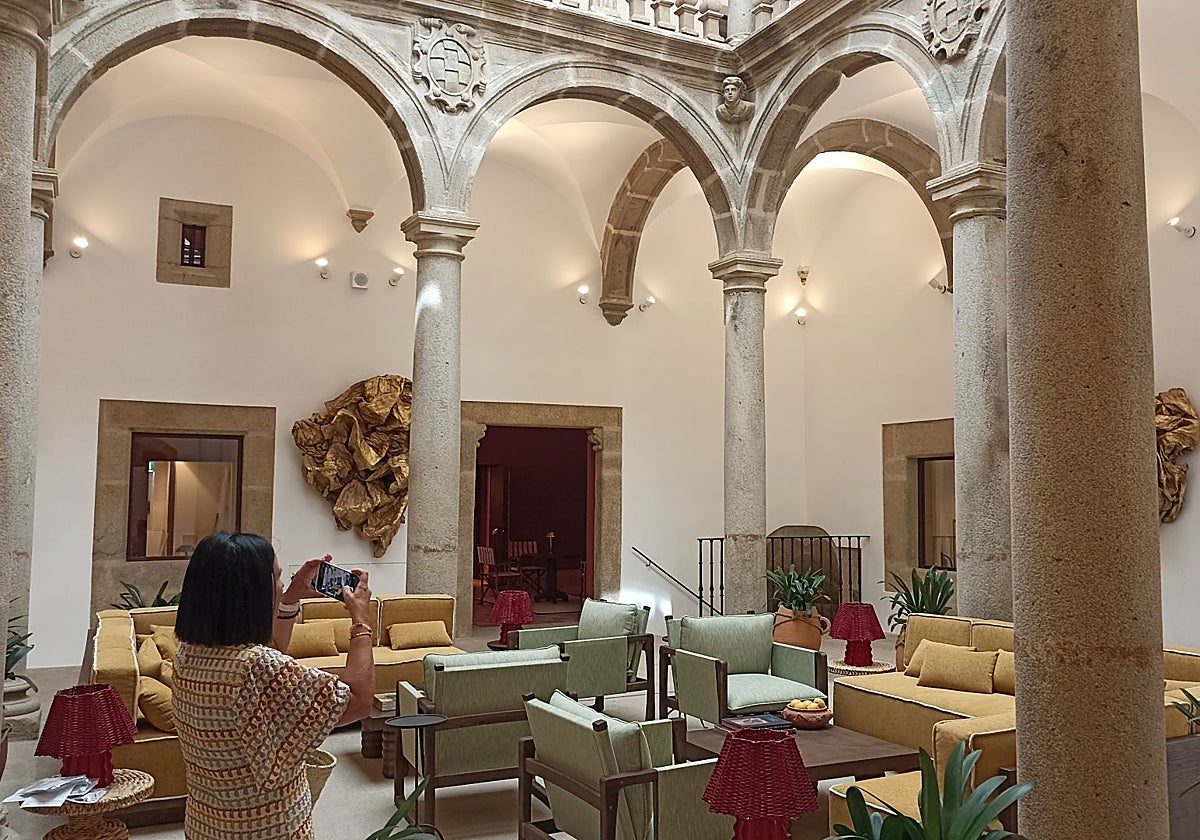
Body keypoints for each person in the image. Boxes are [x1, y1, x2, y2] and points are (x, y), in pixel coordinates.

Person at [172, 532, 374, 840]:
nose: (280, 585)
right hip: (268, 829)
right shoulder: (257, 667)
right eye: (277, 578)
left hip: (206, 824)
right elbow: (358, 701)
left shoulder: (188, 655)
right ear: (250, 592)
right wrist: (361, 622)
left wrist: (291, 597)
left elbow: (270, 649)